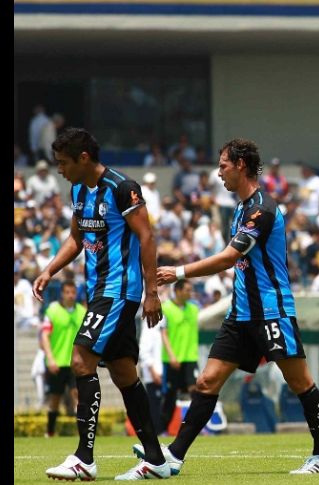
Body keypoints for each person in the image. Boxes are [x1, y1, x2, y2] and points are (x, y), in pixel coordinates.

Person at [133, 138, 319, 475]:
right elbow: (235, 262)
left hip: (271, 310)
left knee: (300, 382)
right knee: (206, 382)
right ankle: (174, 456)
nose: (219, 172)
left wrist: (179, 271)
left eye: (223, 165)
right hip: (240, 313)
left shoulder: (263, 208)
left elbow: (230, 257)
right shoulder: (240, 209)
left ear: (241, 165)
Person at [33, 127, 170, 480]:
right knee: (125, 373)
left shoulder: (123, 189)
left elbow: (147, 236)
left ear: (83, 158)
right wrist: (50, 269)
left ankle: (84, 458)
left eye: (63, 163)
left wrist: (152, 292)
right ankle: (155, 459)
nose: (59, 169)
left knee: (80, 359)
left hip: (118, 292)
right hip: (97, 292)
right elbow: (76, 239)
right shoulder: (78, 189)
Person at [40, 281, 86, 437]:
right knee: (55, 399)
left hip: (76, 363)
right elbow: (45, 336)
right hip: (57, 363)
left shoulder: (82, 312)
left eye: (73, 292)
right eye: (67, 292)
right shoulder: (52, 311)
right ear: (62, 293)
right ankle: (50, 432)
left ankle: (83, 434)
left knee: (77, 395)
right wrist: (50, 358)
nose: (70, 295)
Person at [159, 280, 200, 434]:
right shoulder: (166, 308)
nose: (191, 293)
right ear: (177, 290)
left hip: (190, 357)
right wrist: (172, 356)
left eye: (191, 290)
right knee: (170, 396)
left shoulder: (194, 309)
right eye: (187, 290)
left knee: (195, 391)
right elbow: (163, 333)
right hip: (172, 360)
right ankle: (163, 429)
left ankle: (195, 427)